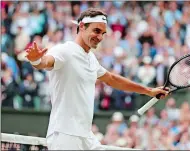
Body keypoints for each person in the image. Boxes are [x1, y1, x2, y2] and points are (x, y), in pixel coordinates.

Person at [25, 8, 170, 150]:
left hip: (86, 136)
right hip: (64, 135)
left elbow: (112, 79)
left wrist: (149, 91)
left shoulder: (91, 58)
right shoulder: (64, 51)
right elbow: (45, 62)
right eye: (96, 31)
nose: (100, 37)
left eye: (103, 33)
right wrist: (36, 61)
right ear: (82, 27)